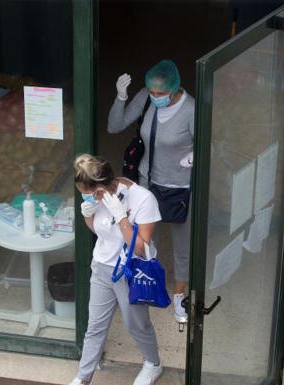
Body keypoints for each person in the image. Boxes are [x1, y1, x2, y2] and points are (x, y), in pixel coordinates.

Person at [108, 59, 194, 323]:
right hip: (147, 183)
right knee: (140, 239)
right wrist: (121, 97)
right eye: (153, 92)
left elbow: (212, 144)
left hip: (180, 187)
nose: (156, 97)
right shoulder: (147, 98)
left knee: (183, 246)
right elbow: (114, 126)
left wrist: (194, 156)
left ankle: (180, 295)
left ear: (175, 87)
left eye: (161, 93)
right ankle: (141, 283)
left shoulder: (191, 110)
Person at [69, 154, 163, 385]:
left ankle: (153, 363)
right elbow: (98, 229)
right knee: (95, 326)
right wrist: (87, 213)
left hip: (129, 270)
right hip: (101, 266)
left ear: (100, 187)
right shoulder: (98, 197)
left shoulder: (143, 199)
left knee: (136, 324)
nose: (86, 196)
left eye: (88, 193)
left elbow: (139, 248)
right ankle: (83, 377)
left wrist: (121, 215)